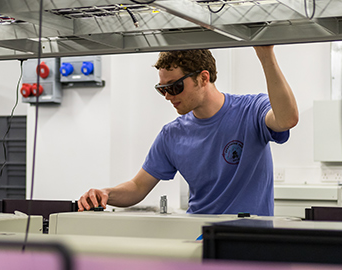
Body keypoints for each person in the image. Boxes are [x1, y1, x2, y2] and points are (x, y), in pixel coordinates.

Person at [78, 46, 298, 216]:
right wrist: (106, 193)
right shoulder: (172, 135)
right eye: (162, 89)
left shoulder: (251, 111)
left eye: (174, 87)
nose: (168, 96)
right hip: (199, 240)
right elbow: (137, 187)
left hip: (249, 243)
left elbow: (287, 119)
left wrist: (266, 56)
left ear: (203, 78)